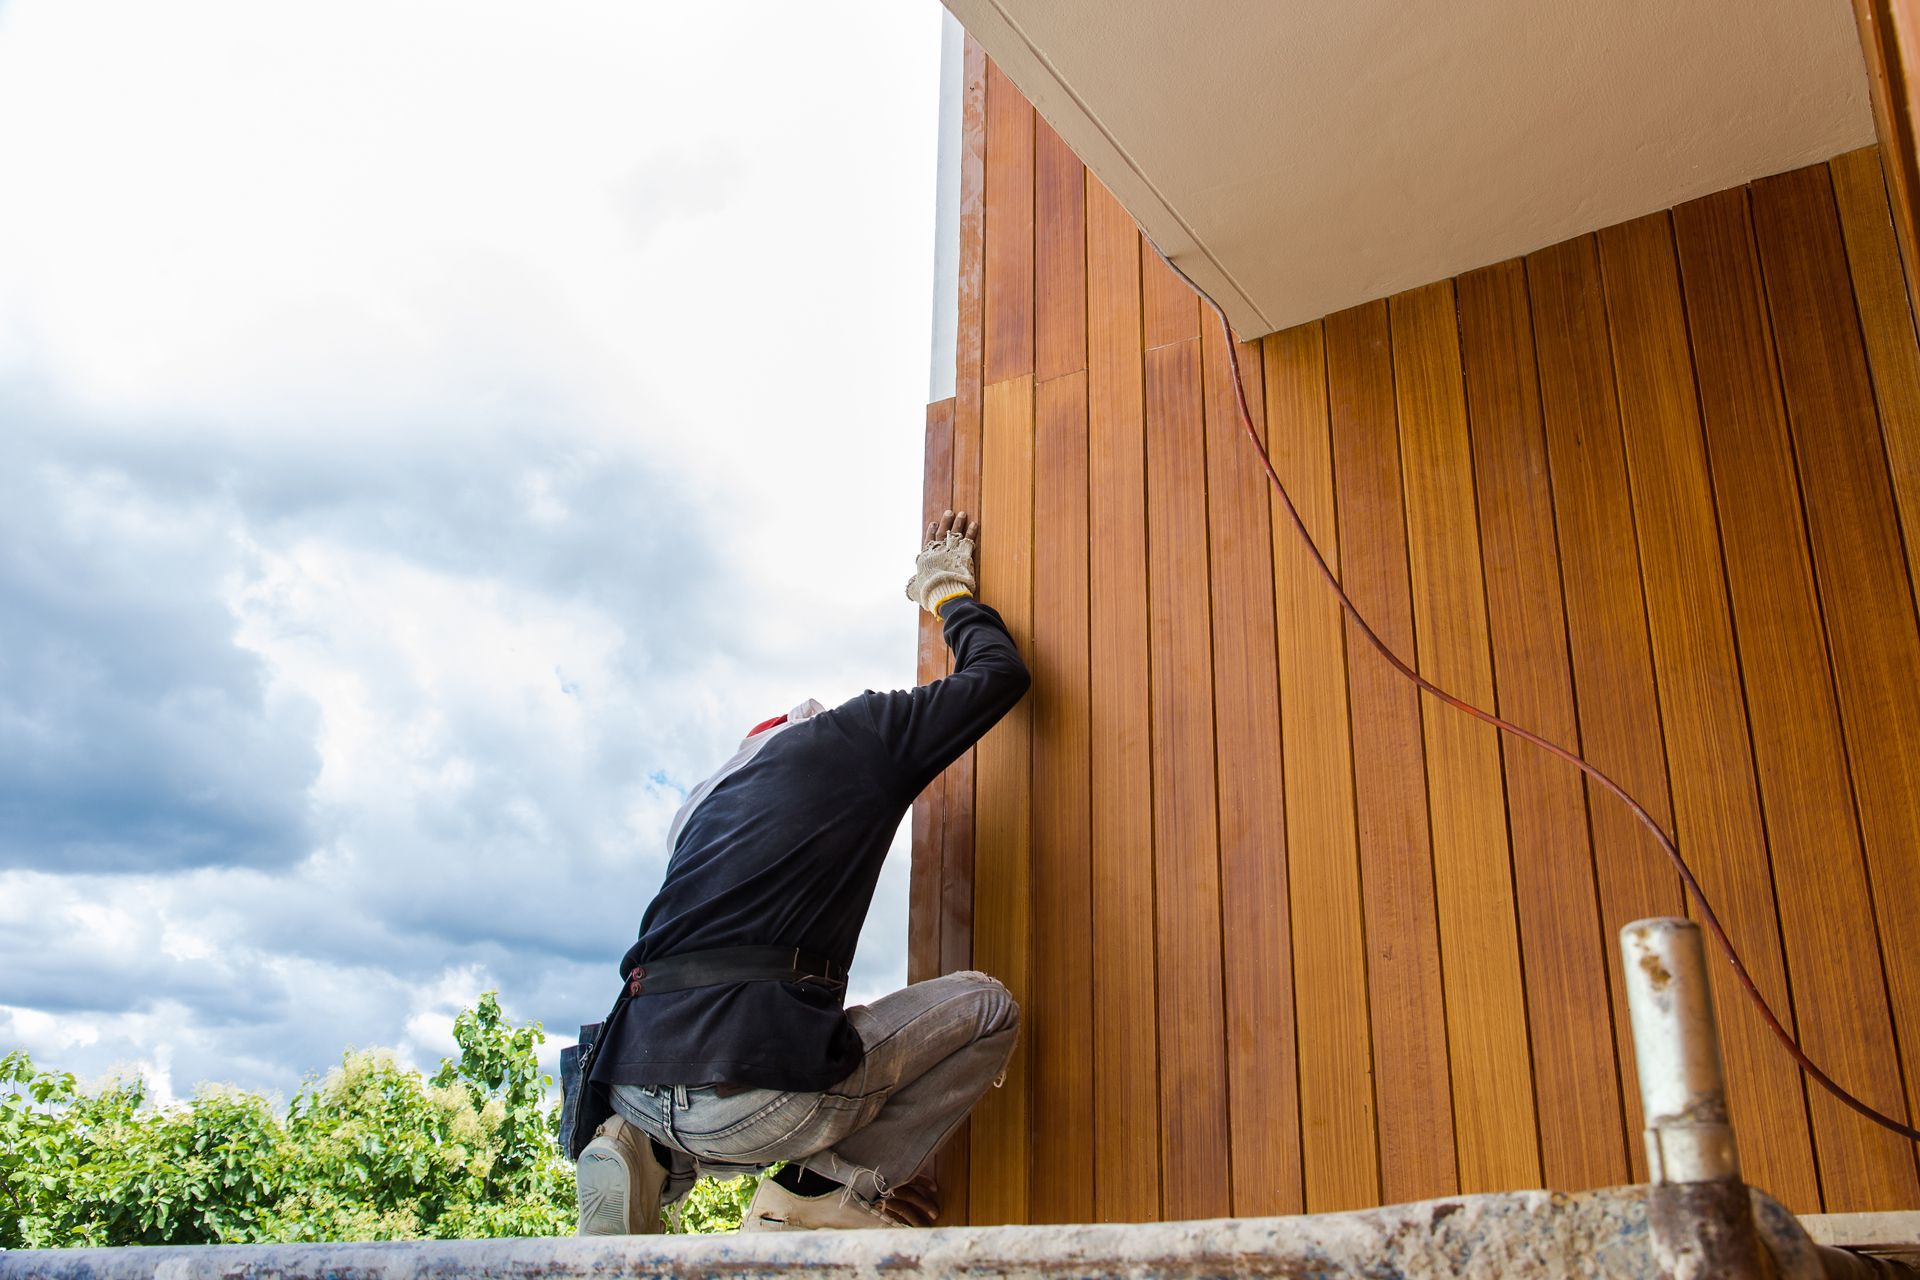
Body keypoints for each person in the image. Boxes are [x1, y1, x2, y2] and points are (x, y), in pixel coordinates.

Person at [568, 509, 1029, 1233]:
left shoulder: (701, 809)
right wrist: (948, 592)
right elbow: (998, 675)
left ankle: (643, 1157)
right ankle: (821, 1195)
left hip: (627, 1077)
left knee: (724, 1042)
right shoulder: (857, 734)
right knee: (986, 1007)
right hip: (757, 1098)